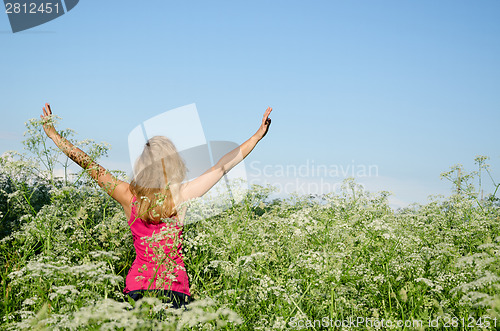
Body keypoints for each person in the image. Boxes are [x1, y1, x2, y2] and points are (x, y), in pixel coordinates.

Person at [40, 103, 272, 308]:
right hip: (174, 291)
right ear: (174, 164)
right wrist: (256, 137)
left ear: (142, 164)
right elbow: (221, 167)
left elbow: (89, 165)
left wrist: (53, 135)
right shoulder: (180, 195)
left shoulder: (127, 195)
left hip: (137, 288)